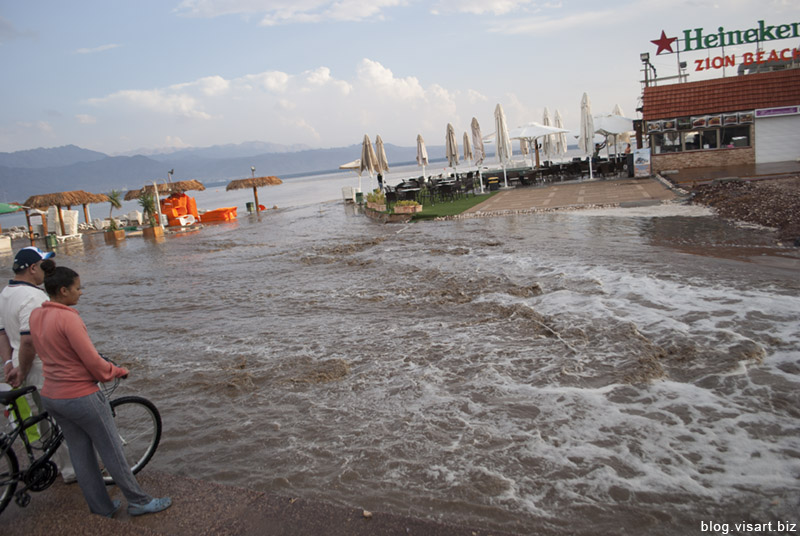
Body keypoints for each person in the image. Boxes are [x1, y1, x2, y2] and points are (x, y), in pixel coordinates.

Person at [29, 264, 171, 518]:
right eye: (77, 288)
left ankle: (101, 507)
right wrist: (115, 371)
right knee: (111, 450)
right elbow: (92, 361)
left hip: (52, 395)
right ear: (63, 291)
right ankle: (138, 501)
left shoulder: (36, 315)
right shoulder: (69, 318)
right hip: (80, 396)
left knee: (80, 454)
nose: (81, 293)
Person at [1, 247, 75, 483]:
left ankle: (59, 464)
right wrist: (22, 370)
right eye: (43, 266)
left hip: (20, 363)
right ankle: (72, 470)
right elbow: (29, 340)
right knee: (62, 419)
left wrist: (8, 363)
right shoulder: (33, 297)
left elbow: (3, 333)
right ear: (33, 268)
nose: (46, 271)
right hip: (39, 367)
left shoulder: (6, 292)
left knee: (44, 420)